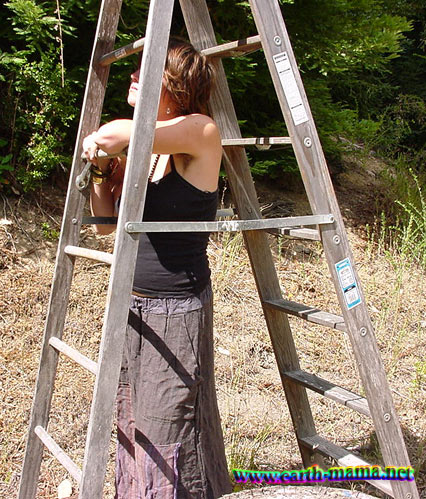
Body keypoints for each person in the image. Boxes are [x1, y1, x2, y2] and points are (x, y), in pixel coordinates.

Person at [82, 38, 232, 498]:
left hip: (175, 309)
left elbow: (112, 134)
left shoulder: (200, 130)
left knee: (170, 428)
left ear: (174, 82)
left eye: (145, 70)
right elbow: (106, 225)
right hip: (131, 305)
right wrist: (102, 171)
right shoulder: (147, 148)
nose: (132, 76)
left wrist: (102, 144)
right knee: (134, 420)